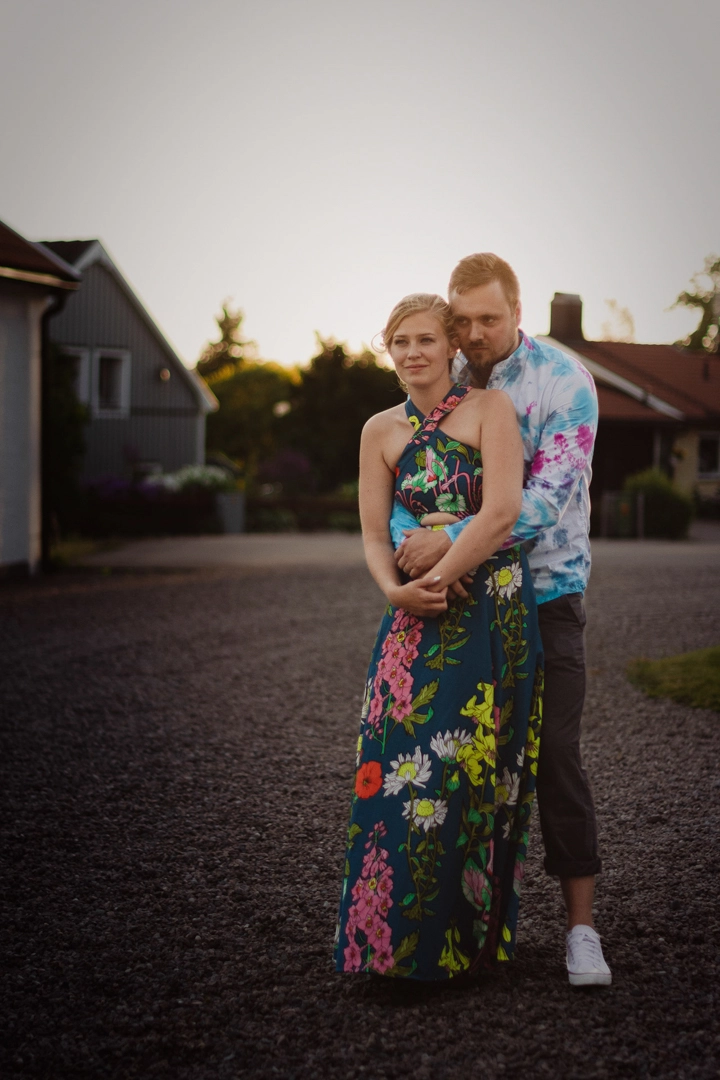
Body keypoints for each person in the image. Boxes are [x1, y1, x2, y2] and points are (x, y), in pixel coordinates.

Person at [390, 254, 611, 987]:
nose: (477, 333)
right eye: (466, 320)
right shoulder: (450, 384)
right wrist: (409, 552)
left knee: (551, 755)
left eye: (491, 318)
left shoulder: (564, 383)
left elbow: (539, 502)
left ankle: (581, 929)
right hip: (461, 601)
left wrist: (448, 544)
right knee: (458, 757)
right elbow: (409, 476)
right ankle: (462, 927)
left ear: (519, 312)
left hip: (546, 595)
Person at [335, 293, 543, 982]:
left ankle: (467, 950)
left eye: (425, 339)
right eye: (400, 342)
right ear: (388, 352)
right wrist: (398, 591)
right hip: (412, 614)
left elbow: (504, 508)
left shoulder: (490, 411)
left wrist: (445, 571)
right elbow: (371, 534)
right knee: (397, 773)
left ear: (451, 345)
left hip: (489, 604)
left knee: (476, 774)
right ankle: (392, 948)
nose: (413, 352)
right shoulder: (377, 431)